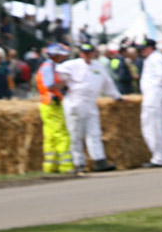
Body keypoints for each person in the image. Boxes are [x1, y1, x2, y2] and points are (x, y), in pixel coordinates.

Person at [57, 42, 121, 173]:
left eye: (89, 53)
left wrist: (116, 96)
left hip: (91, 102)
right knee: (76, 133)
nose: (87, 55)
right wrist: (62, 85)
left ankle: (99, 160)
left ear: (93, 53)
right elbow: (59, 75)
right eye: (84, 53)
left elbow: (107, 83)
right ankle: (78, 163)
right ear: (80, 53)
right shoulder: (71, 65)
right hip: (76, 101)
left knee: (94, 132)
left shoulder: (98, 66)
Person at [35, 43, 73, 176]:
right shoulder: (48, 67)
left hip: (46, 104)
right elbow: (50, 85)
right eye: (61, 55)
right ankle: (66, 166)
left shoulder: (47, 66)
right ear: (55, 55)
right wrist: (63, 84)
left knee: (50, 136)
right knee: (61, 133)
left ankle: (50, 166)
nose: (63, 58)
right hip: (53, 104)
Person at [138, 39, 162, 168]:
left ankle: (159, 158)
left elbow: (161, 76)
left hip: (154, 93)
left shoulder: (155, 58)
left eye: (143, 48)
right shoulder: (155, 58)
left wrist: (158, 87)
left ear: (149, 48)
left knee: (151, 127)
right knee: (156, 126)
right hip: (158, 92)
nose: (141, 51)